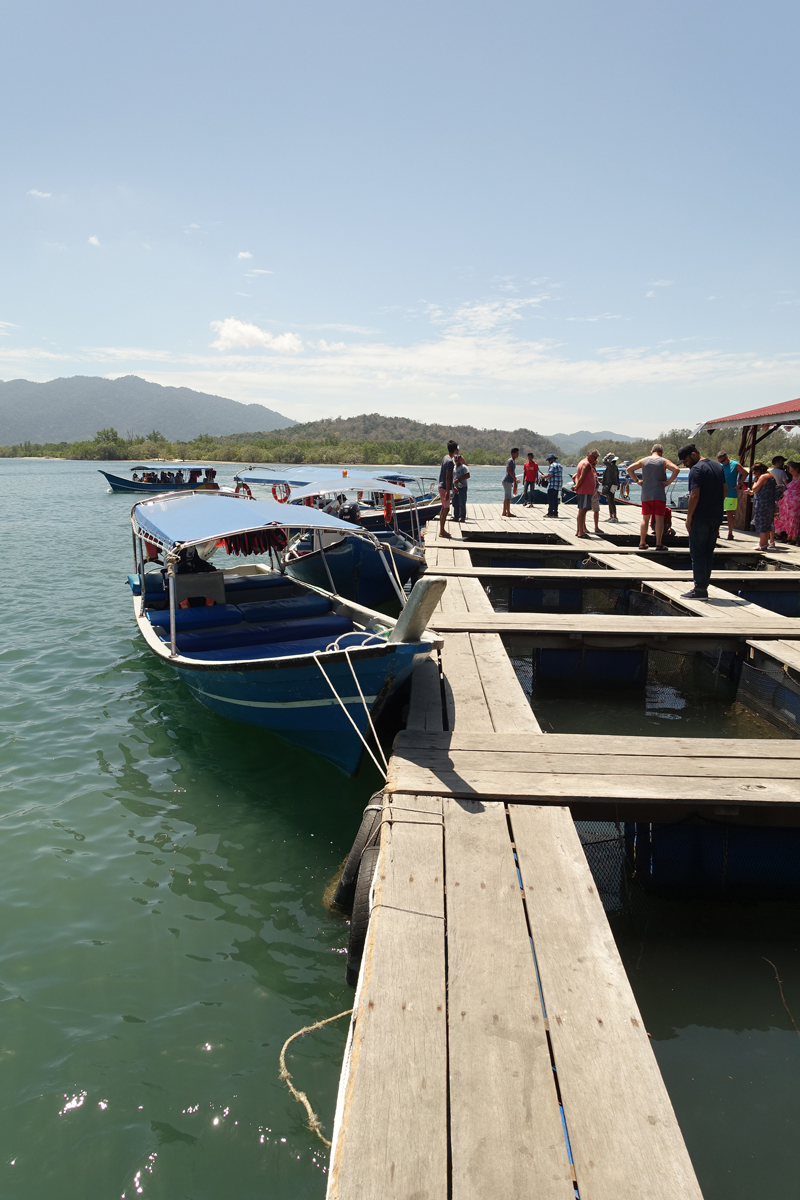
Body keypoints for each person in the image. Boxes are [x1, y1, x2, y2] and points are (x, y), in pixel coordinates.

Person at [677, 442, 726, 598]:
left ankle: (699, 589)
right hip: (716, 515)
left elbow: (694, 495)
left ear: (693, 455)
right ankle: (703, 586)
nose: (685, 464)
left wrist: (689, 516)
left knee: (697, 553)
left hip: (701, 516)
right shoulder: (718, 467)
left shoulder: (696, 469)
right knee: (708, 553)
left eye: (685, 460)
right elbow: (725, 489)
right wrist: (716, 504)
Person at [627, 444, 680, 552]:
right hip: (658, 493)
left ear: (652, 452)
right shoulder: (663, 461)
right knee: (659, 518)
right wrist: (668, 482)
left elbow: (629, 469)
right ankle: (658, 543)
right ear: (661, 453)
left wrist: (637, 481)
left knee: (645, 519)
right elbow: (676, 469)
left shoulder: (643, 461)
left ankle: (642, 542)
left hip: (646, 493)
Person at [715, 451, 747, 540]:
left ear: (727, 457)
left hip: (731, 492)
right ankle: (716, 532)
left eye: (722, 461)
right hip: (720, 492)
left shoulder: (735, 464)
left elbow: (745, 473)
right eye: (720, 462)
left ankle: (730, 533)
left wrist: (740, 484)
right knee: (718, 512)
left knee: (729, 513)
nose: (721, 463)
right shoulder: (720, 466)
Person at [747, 463, 778, 549]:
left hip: (762, 504)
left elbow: (755, 488)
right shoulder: (771, 476)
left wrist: (756, 481)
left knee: (762, 523)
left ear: (759, 471)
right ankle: (764, 543)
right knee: (767, 523)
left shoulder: (763, 477)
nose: (754, 474)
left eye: (755, 472)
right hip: (770, 503)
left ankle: (762, 544)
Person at [573, 449, 599, 537]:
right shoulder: (586, 464)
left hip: (585, 491)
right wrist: (577, 486)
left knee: (581, 511)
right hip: (585, 492)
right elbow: (581, 478)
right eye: (595, 458)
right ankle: (581, 532)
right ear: (591, 456)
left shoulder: (582, 462)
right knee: (582, 511)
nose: (595, 460)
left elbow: (577, 477)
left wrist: (577, 486)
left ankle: (578, 531)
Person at [776, 461, 800, 545]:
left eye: (792, 470)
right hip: (788, 503)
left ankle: (795, 537)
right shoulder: (794, 478)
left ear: (797, 470)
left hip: (796, 503)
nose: (790, 472)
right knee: (789, 519)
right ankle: (789, 536)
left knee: (794, 520)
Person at [438, 439, 458, 538]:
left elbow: (448, 477)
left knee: (444, 508)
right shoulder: (450, 461)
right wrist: (448, 491)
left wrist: (453, 487)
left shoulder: (445, 458)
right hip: (444, 488)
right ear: (455, 450)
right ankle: (442, 531)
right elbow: (448, 476)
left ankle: (442, 530)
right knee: (446, 508)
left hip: (442, 486)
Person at [601, 453, 620, 522]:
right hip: (611, 485)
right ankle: (611, 516)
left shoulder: (612, 466)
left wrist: (606, 456)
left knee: (611, 501)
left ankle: (614, 517)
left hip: (611, 485)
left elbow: (604, 461)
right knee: (609, 500)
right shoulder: (613, 466)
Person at [501, 447, 520, 517]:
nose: (518, 454)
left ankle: (504, 512)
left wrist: (515, 480)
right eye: (517, 453)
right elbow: (509, 471)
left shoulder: (513, 461)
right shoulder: (510, 461)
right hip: (507, 481)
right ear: (513, 453)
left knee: (506, 497)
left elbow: (513, 472)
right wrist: (514, 478)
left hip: (509, 481)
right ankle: (508, 513)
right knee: (508, 497)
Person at [452, 453, 470, 522]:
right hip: (455, 488)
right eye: (455, 458)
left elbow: (468, 475)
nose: (456, 459)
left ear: (460, 459)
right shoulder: (454, 468)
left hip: (462, 487)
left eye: (458, 458)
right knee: (455, 502)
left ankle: (462, 517)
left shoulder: (464, 467)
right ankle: (456, 517)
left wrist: (459, 480)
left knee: (462, 502)